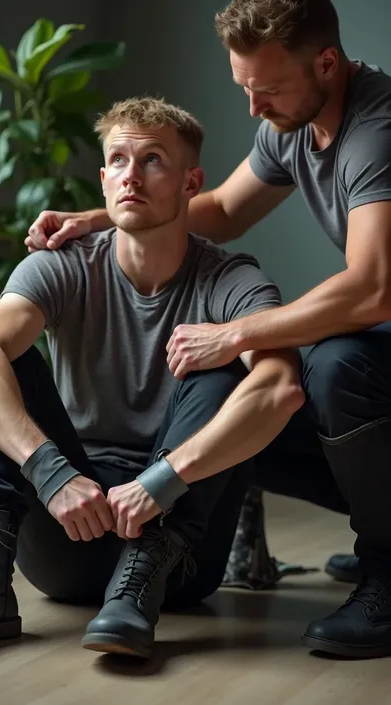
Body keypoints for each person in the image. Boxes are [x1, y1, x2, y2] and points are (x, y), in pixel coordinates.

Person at [24, 0, 391, 660]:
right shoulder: (290, 122)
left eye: (268, 90)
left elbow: (371, 288)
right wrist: (102, 215)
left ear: (328, 65)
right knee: (250, 414)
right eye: (243, 88)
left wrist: (237, 331)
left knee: (333, 364)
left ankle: (388, 573)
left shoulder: (378, 127)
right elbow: (217, 209)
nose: (254, 108)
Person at [0, 97, 304, 660]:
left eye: (152, 160)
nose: (131, 175)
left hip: (178, 558)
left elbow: (280, 388)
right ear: (102, 180)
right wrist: (51, 473)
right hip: (71, 528)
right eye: (118, 160)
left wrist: (161, 483)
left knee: (225, 356)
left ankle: (138, 585)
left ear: (191, 181)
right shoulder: (63, 263)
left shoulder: (231, 280)